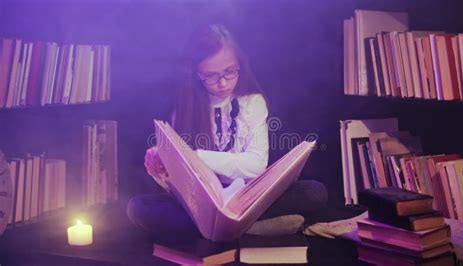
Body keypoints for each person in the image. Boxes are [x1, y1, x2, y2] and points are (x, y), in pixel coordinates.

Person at [127, 24, 327, 239]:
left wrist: (194, 157)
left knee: (314, 192)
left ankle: (223, 229)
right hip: (202, 205)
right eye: (211, 76)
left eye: (230, 72)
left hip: (248, 199)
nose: (222, 83)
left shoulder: (252, 102)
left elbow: (256, 165)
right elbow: (181, 186)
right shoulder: (186, 108)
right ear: (196, 74)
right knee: (137, 208)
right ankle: (249, 229)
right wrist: (163, 170)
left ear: (239, 65)